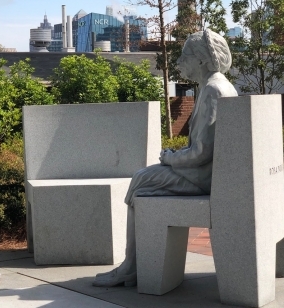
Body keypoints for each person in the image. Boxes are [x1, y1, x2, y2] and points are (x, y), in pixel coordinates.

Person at [93, 29, 238, 287]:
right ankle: (133, 265)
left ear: (203, 59)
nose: (180, 62)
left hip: (204, 178)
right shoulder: (216, 86)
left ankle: (130, 267)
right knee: (142, 184)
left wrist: (170, 159)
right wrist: (174, 156)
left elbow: (202, 152)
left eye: (186, 56)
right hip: (211, 173)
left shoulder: (213, 90)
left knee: (140, 180)